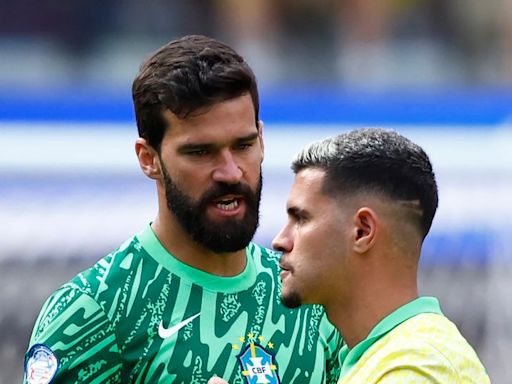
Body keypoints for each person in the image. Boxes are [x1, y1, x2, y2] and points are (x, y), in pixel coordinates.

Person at [23, 35, 342, 383]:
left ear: (262, 140)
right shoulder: (93, 313)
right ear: (149, 159)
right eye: (200, 152)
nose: (231, 172)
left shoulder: (309, 298)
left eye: (243, 145)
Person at [272, 128, 490, 383]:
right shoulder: (382, 356)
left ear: (362, 231)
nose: (280, 241)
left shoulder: (415, 366)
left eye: (301, 218)